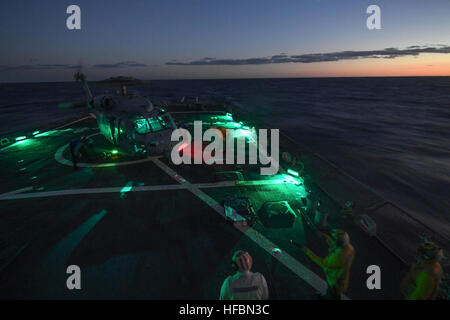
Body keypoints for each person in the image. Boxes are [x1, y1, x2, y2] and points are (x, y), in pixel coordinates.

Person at [291, 229, 355, 300]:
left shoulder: (338, 257)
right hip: (341, 279)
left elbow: (323, 263)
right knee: (333, 293)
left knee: (332, 293)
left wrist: (306, 251)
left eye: (334, 239)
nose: (333, 240)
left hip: (335, 282)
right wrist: (325, 236)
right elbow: (335, 245)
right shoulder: (349, 248)